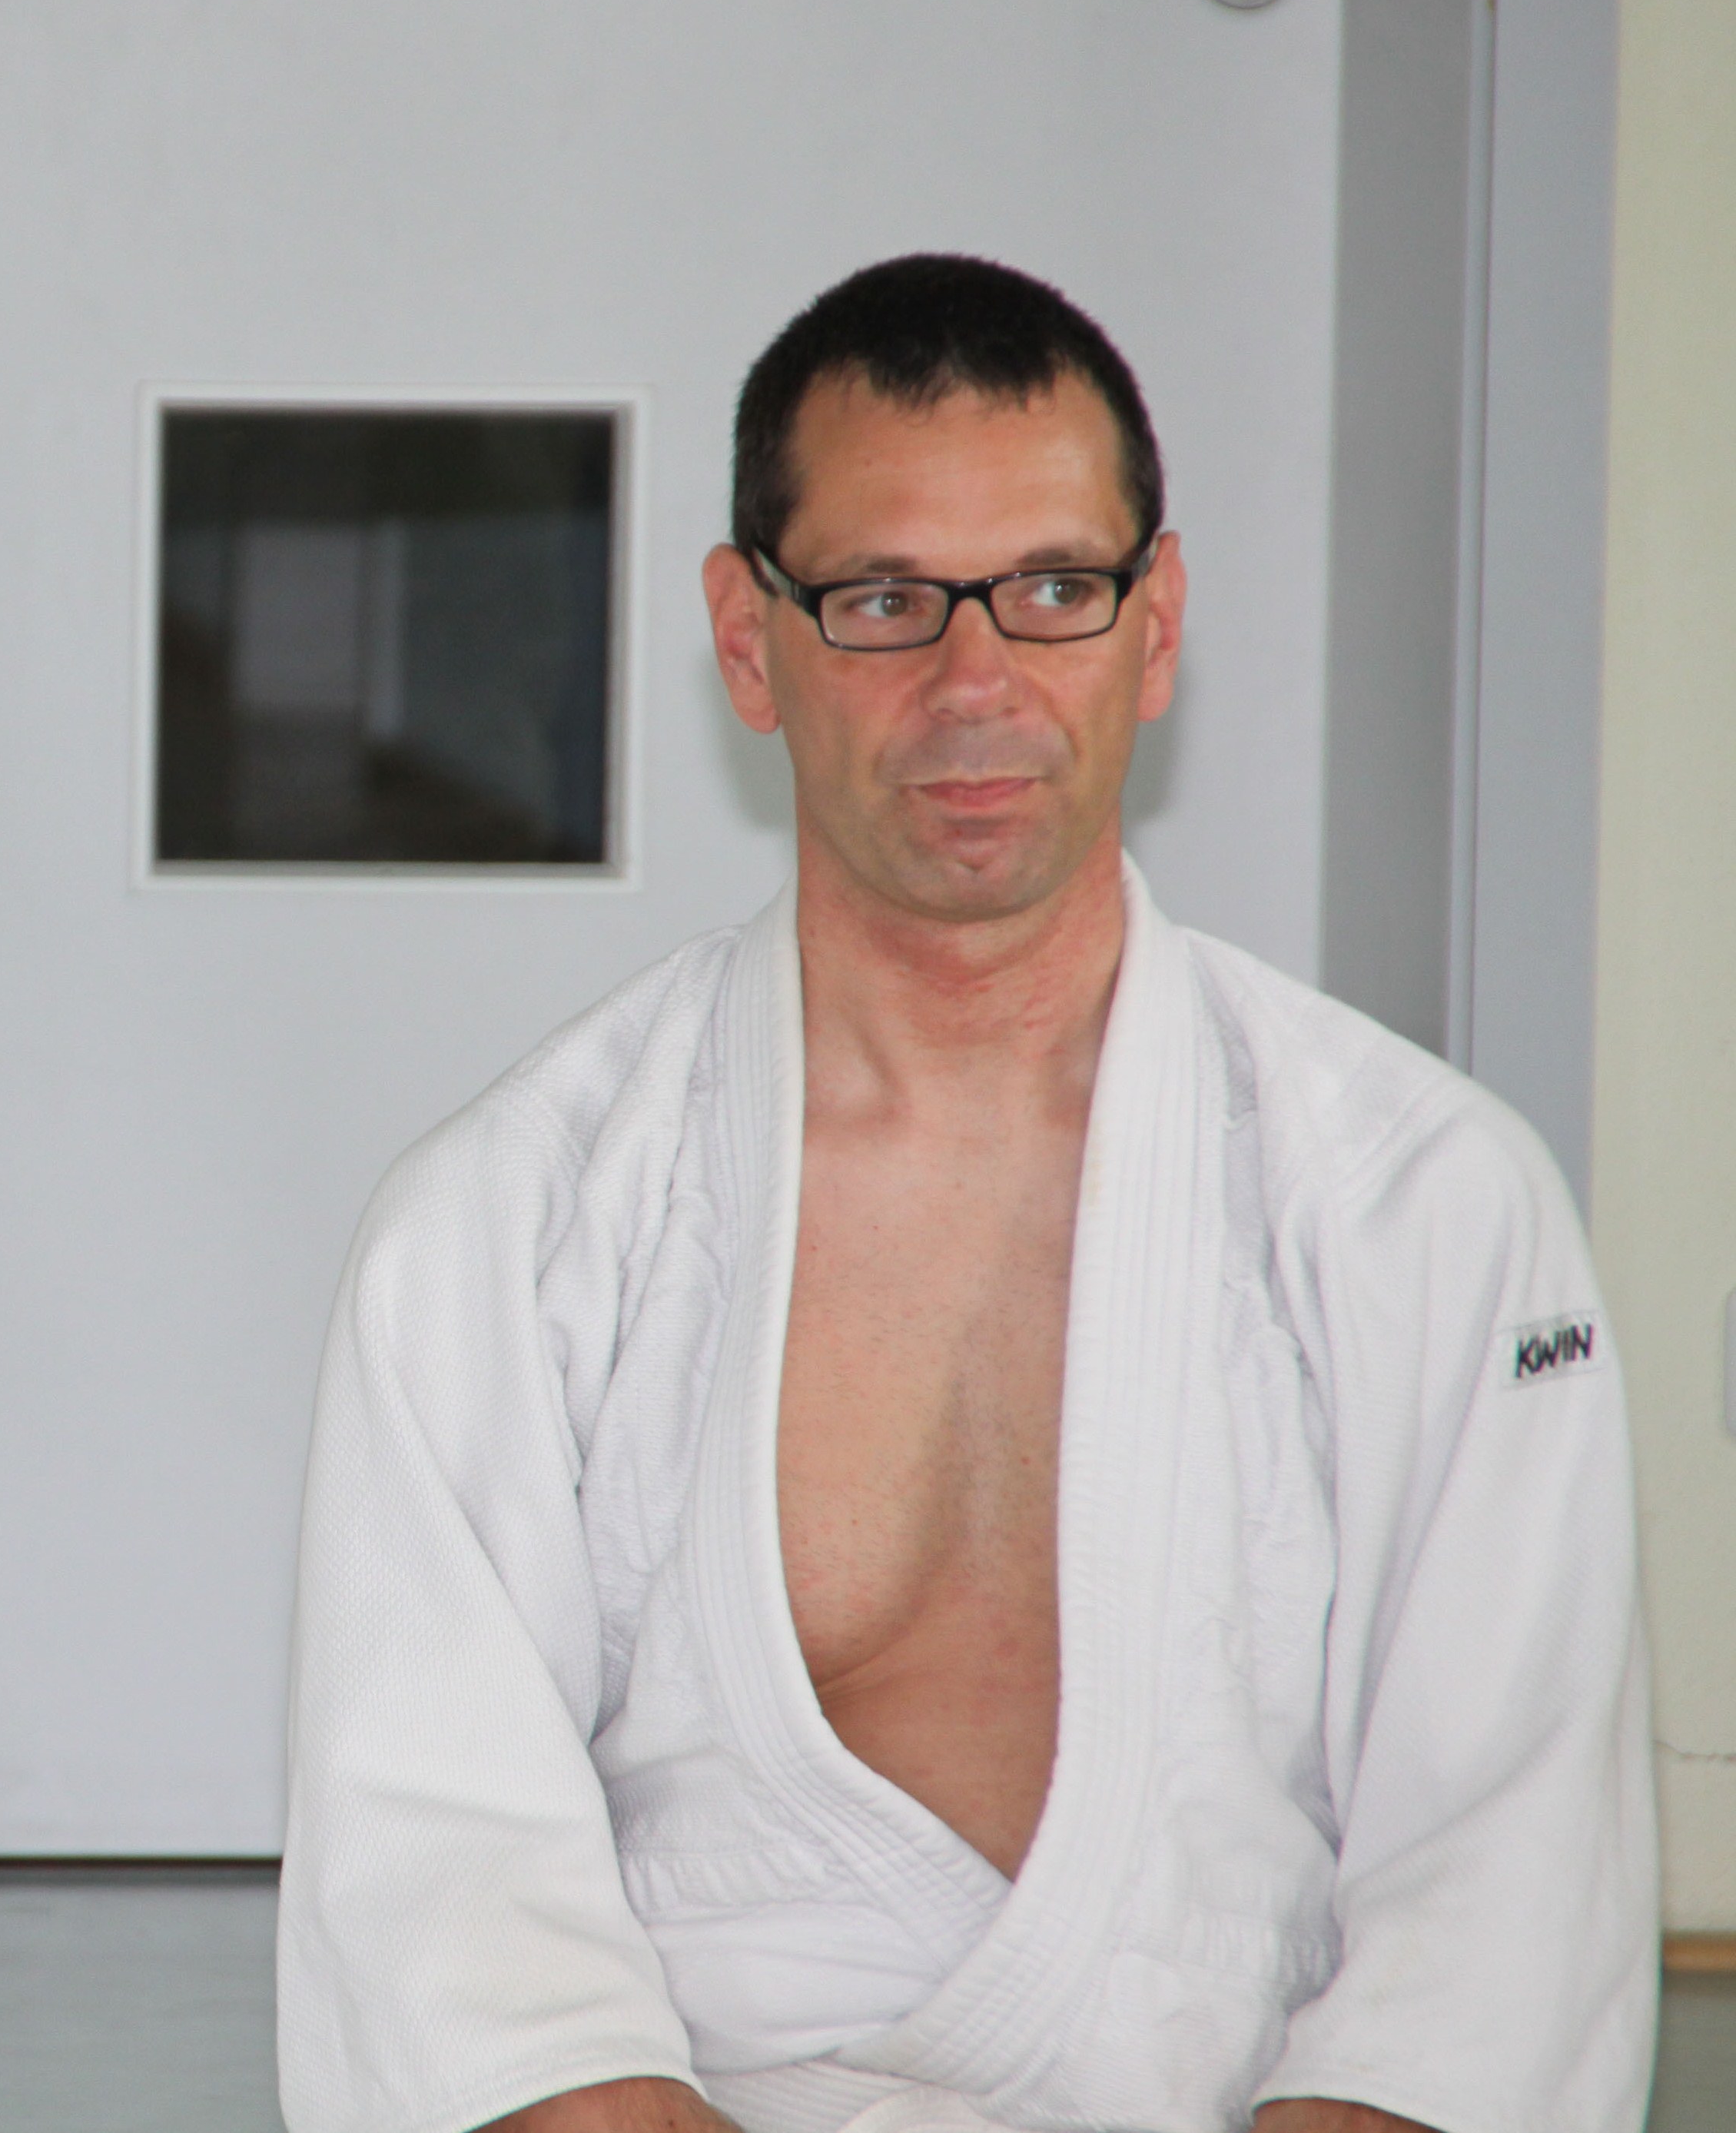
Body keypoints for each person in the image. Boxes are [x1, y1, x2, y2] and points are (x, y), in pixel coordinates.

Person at [275, 254, 1654, 2133]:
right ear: (747, 640)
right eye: (884, 601)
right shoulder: (507, 1230)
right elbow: (451, 1914)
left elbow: (1495, 1924)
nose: (977, 681)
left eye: (1057, 590)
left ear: (1157, 626)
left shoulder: (1429, 1208)